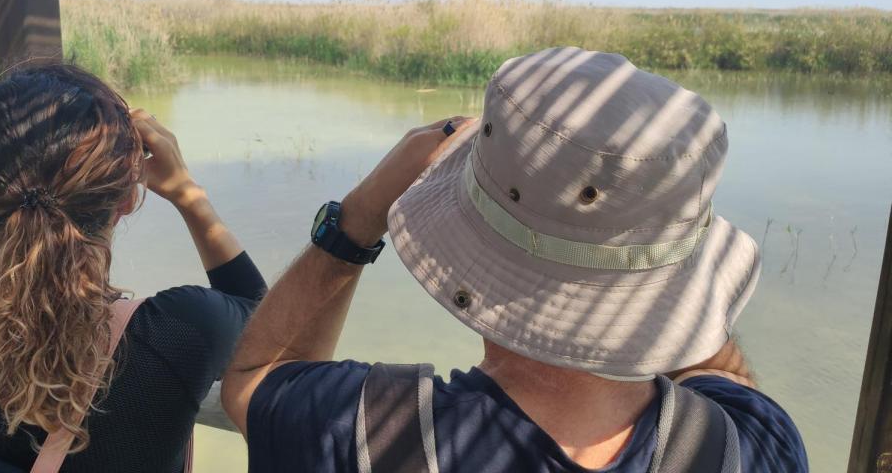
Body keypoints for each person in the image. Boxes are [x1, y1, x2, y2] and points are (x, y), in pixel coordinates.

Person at [222, 47, 808, 472]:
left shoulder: (372, 432)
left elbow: (257, 379)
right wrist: (662, 249)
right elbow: (721, 376)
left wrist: (356, 218)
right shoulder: (752, 446)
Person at [0, 64, 266, 472]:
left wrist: (8, 200)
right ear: (126, 201)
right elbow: (268, 325)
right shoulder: (182, 330)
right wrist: (188, 195)